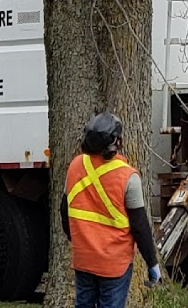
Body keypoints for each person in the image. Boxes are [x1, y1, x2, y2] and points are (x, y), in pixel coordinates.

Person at [61, 111, 161, 308]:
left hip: (84, 258)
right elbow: (140, 226)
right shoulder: (128, 178)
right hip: (115, 263)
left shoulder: (75, 167)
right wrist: (152, 263)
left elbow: (65, 212)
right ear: (116, 142)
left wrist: (80, 241)